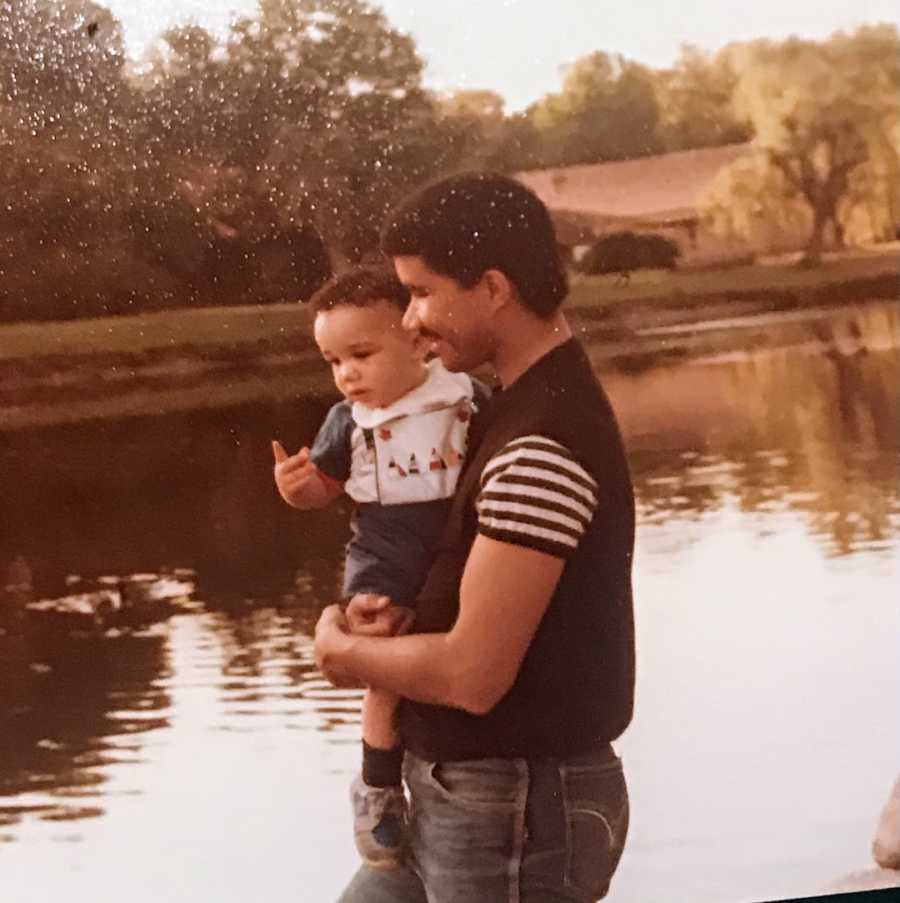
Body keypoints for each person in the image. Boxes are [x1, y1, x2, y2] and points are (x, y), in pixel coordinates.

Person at [314, 171, 636, 903]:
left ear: (493, 287)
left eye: (424, 293)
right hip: (467, 796)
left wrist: (344, 653)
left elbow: (475, 673)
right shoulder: (505, 410)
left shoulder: (542, 438)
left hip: (515, 803)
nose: (410, 322)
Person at [272, 266, 486, 869]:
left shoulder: (463, 396)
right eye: (333, 362)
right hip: (384, 556)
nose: (347, 375)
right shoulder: (348, 421)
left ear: (418, 341)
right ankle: (378, 786)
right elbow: (326, 486)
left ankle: (450, 767)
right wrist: (298, 490)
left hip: (460, 550)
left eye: (361, 354)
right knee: (383, 664)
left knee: (468, 643)